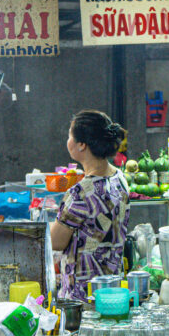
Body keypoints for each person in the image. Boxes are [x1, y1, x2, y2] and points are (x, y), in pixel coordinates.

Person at [49, 110, 130, 302]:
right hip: (112, 286)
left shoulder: (81, 192)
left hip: (84, 294)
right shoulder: (119, 178)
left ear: (81, 145)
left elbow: (55, 241)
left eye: (70, 135)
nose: (67, 140)